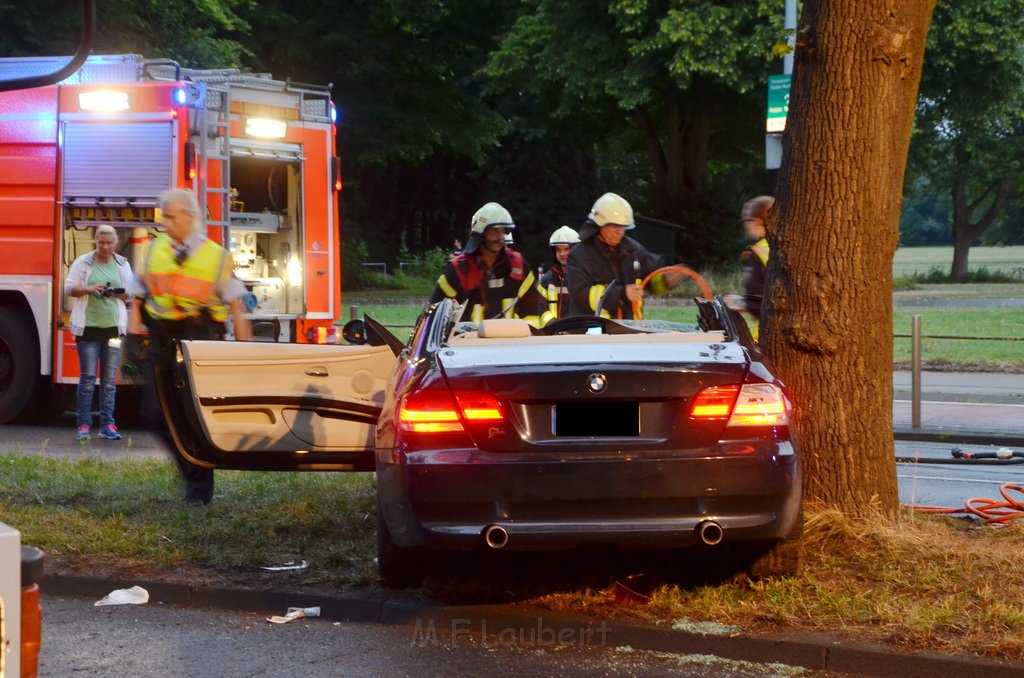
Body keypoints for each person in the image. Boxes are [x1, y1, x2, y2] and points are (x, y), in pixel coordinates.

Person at [128, 188, 252, 506]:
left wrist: (245, 352)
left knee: (192, 418)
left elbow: (237, 308)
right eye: (164, 216)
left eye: (170, 216)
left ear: (190, 216)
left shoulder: (216, 258)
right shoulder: (155, 250)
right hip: (162, 342)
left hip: (200, 346)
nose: (165, 222)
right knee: (153, 415)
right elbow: (137, 296)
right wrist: (132, 337)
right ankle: (191, 471)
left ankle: (199, 485)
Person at [65, 225, 134, 442]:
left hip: (113, 329)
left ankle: (108, 424)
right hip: (87, 329)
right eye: (101, 242)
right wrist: (90, 289)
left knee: (108, 380)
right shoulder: (83, 262)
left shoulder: (122, 264)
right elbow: (69, 289)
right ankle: (83, 424)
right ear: (96, 241)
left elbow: (130, 295)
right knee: (87, 378)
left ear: (114, 243)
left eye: (109, 243)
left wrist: (115, 293)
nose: (105, 246)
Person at [429, 202, 543, 325]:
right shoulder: (458, 270)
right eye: (494, 231)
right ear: (480, 234)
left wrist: (529, 339)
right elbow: (434, 314)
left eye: (503, 231)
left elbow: (533, 311)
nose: (500, 237)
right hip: (466, 343)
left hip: (509, 343)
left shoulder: (517, 266)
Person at [566, 193, 664, 319]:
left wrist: (667, 280)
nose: (620, 232)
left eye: (623, 226)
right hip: (593, 331)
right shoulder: (579, 255)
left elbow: (652, 278)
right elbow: (581, 294)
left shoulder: (633, 249)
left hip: (630, 330)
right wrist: (621, 293)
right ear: (600, 225)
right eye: (615, 226)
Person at [739, 195, 774, 328]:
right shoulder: (785, 247)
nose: (745, 225)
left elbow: (756, 301)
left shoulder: (758, 252)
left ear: (759, 221)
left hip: (765, 333)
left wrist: (740, 304)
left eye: (748, 220)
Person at [537, 225, 580, 326]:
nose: (562, 253)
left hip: (580, 334)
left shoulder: (584, 277)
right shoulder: (546, 280)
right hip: (555, 334)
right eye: (558, 250)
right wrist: (553, 325)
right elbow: (541, 310)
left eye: (566, 249)